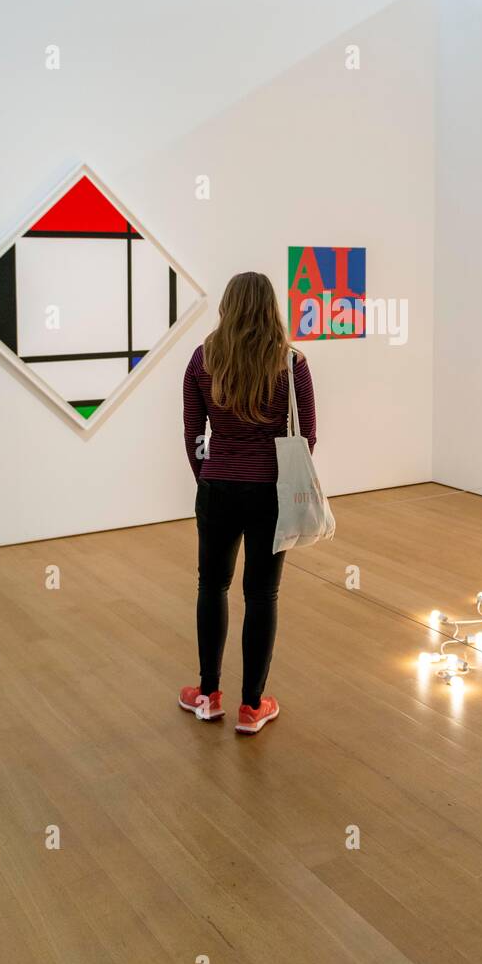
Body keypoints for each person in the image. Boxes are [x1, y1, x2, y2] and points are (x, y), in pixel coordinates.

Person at [179, 272, 316, 734]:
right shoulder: (291, 363)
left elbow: (194, 435)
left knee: (211, 586)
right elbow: (307, 436)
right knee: (261, 595)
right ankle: (252, 707)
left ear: (227, 306)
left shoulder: (203, 359)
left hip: (217, 488)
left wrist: (210, 475)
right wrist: (274, 478)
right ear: (270, 307)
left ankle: (207, 695)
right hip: (269, 493)